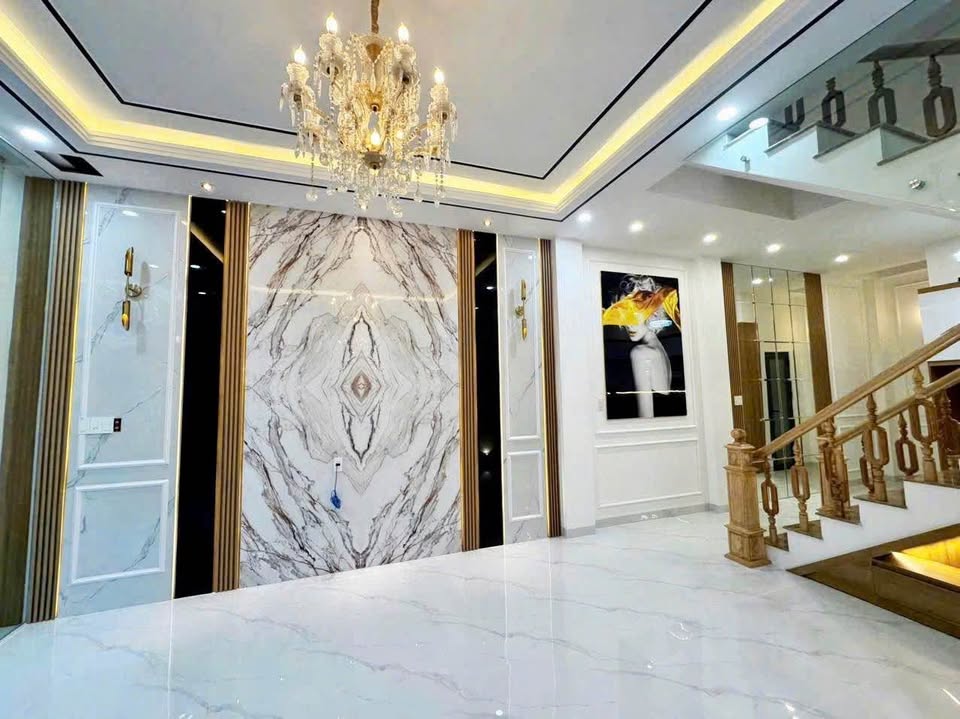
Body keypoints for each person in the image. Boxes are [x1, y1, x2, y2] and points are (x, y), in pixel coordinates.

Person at [602, 275, 681, 418]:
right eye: (624, 315)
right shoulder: (658, 351)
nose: (628, 324)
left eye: (635, 315)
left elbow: (646, 418)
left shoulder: (640, 353)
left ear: (653, 314)